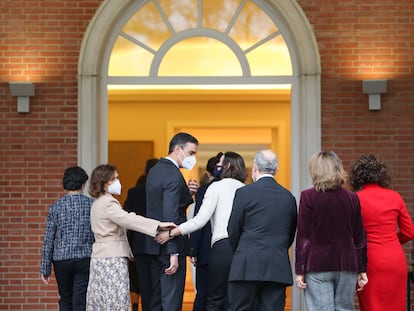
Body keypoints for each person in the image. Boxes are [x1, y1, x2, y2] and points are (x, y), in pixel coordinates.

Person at [157, 151, 247, 310]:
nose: (218, 166)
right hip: (244, 250)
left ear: (227, 166)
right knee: (238, 300)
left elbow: (200, 220)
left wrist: (172, 232)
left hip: (222, 247)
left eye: (220, 163)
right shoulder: (247, 189)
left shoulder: (216, 187)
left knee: (215, 300)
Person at [85, 164, 174, 311]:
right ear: (104, 182)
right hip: (112, 258)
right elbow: (128, 220)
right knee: (116, 301)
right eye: (114, 178)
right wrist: (158, 225)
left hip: (100, 256)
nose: (118, 182)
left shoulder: (98, 203)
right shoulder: (109, 203)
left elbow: (124, 219)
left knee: (101, 300)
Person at [295, 151, 368, 311]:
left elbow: (304, 237)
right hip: (347, 264)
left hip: (317, 264)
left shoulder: (308, 197)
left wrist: (300, 269)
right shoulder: (352, 198)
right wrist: (362, 268)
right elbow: (360, 237)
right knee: (345, 308)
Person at [227, 149, 297, 311]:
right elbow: (290, 233)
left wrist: (242, 251)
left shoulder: (244, 193)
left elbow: (233, 230)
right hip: (276, 266)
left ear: (255, 167)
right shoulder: (288, 197)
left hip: (246, 264)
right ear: (277, 169)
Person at [349, 154, 414, 311]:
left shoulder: (355, 199)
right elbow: (409, 232)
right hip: (395, 259)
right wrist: (391, 240)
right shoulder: (395, 197)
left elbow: (350, 236)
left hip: (370, 260)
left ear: (357, 177)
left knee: (371, 306)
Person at [143, 132, 199, 311]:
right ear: (177, 149)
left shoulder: (155, 170)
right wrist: (173, 253)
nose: (193, 158)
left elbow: (160, 205)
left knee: (157, 301)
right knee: (171, 301)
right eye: (191, 153)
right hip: (169, 246)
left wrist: (188, 195)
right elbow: (171, 213)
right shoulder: (174, 175)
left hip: (153, 244)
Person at [40, 166, 94, 311]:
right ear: (83, 184)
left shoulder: (56, 206)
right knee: (80, 300)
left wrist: (45, 268)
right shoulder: (91, 205)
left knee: (65, 299)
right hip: (85, 258)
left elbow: (48, 239)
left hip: (62, 260)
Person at [124, 158, 159, 311]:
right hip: (159, 243)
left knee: (144, 284)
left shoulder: (134, 192)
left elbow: (127, 221)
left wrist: (129, 246)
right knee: (158, 285)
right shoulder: (162, 192)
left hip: (138, 245)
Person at [190, 152, 224, 311]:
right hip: (227, 249)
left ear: (207, 173)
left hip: (205, 250)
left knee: (203, 293)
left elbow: (198, 221)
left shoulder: (204, 190)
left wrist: (193, 250)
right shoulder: (233, 189)